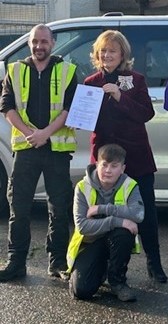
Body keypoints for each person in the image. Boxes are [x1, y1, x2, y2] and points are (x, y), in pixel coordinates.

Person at [83, 30, 167, 283]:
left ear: (122, 55)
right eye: (103, 51)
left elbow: (146, 114)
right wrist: (80, 115)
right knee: (105, 215)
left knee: (147, 214)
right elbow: (86, 121)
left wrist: (119, 97)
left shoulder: (135, 80)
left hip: (137, 157)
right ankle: (111, 269)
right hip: (105, 160)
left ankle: (155, 265)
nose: (107, 55)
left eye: (112, 51)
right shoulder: (90, 82)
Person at [0, 24, 77, 281]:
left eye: (44, 41)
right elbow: (7, 106)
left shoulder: (68, 71)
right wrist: (29, 133)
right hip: (27, 148)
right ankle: (16, 262)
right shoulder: (15, 70)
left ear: (53, 43)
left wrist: (45, 133)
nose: (38, 46)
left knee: (59, 209)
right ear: (29, 43)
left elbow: (69, 109)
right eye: (35, 42)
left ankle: (56, 262)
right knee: (18, 207)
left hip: (56, 149)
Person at [66, 144, 144, 301]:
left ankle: (117, 282)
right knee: (81, 291)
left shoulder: (130, 185)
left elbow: (138, 215)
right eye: (104, 165)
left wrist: (103, 209)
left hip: (115, 240)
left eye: (114, 166)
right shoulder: (82, 187)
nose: (108, 170)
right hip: (90, 241)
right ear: (97, 165)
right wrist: (118, 221)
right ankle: (101, 270)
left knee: (124, 233)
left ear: (122, 169)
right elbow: (82, 226)